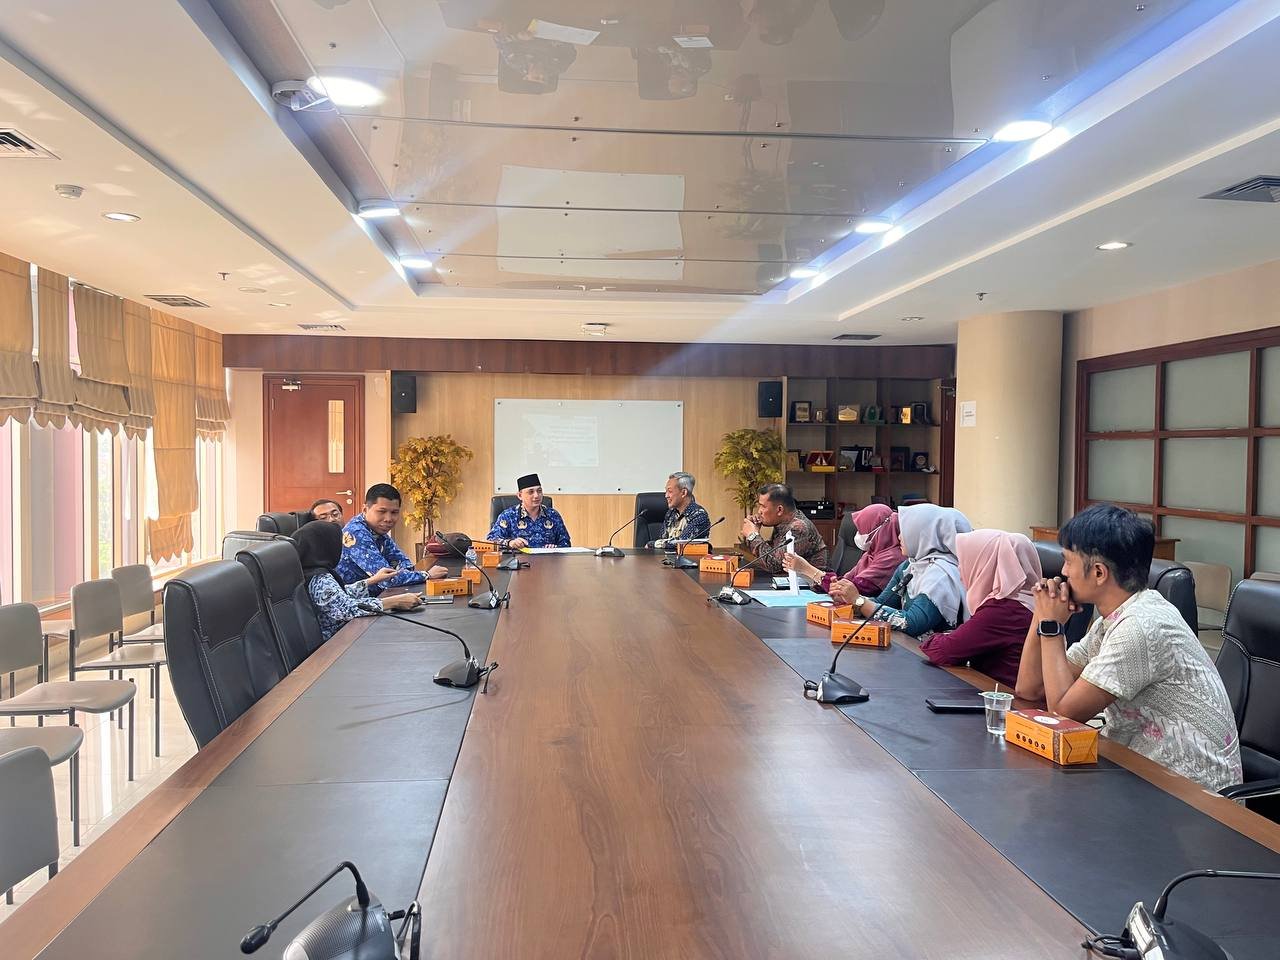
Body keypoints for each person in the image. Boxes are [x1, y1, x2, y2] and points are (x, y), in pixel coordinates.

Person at [1015, 504, 1241, 791]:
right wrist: (1041, 614)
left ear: (1099, 572)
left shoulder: (1141, 626)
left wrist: (1051, 626)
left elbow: (1063, 714)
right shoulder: (1113, 620)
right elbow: (1029, 689)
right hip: (1140, 773)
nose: (1063, 572)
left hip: (1192, 795)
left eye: (1068, 561)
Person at [917, 530, 1041, 687]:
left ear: (987, 565)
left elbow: (942, 651)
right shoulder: (1033, 601)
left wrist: (935, 637)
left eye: (966, 562)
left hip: (1003, 697)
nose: (960, 570)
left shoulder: (1004, 610)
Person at [848, 503, 972, 637]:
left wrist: (859, 601)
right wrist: (848, 597)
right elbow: (883, 603)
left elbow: (911, 623)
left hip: (927, 649)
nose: (899, 537)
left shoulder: (941, 574)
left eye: (905, 532)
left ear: (923, 535)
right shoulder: (910, 565)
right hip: (907, 646)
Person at [295, 520, 420, 642]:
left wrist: (371, 581)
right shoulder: (319, 578)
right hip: (335, 644)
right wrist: (394, 602)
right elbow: (346, 609)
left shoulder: (310, 571)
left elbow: (338, 594)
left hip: (343, 635)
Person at [336, 483, 447, 594]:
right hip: (356, 601)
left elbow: (403, 562)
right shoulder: (356, 533)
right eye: (382, 512)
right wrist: (427, 575)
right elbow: (386, 579)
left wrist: (405, 573)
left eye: (394, 512)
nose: (388, 519)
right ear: (365, 509)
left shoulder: (376, 529)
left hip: (378, 596)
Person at [782, 503, 904, 602]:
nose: (858, 534)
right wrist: (805, 572)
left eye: (863, 529)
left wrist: (807, 569)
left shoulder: (892, 558)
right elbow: (842, 582)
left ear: (879, 531)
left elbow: (850, 591)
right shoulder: (871, 553)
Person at [740, 483, 827, 574]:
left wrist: (753, 536)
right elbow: (772, 554)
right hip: (790, 578)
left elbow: (774, 565)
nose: (759, 511)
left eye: (763, 506)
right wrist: (754, 530)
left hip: (812, 581)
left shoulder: (799, 528)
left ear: (780, 510)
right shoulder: (783, 522)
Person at [488, 474, 572, 549]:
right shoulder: (508, 516)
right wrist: (510, 543)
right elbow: (491, 540)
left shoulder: (553, 515)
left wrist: (555, 548)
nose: (536, 495)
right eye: (531, 492)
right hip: (518, 560)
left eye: (539, 491)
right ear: (520, 495)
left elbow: (566, 542)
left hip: (548, 560)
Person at [655, 471, 711, 546]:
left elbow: (681, 543)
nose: (666, 495)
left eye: (670, 491)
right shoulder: (671, 513)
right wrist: (659, 544)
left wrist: (653, 544)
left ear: (683, 493)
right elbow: (662, 540)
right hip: (667, 554)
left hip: (688, 554)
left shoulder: (699, 515)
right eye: (666, 491)